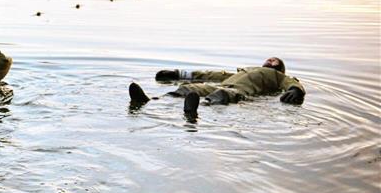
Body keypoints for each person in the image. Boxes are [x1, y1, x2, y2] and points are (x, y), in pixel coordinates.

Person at [129, 57, 306, 115]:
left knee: (222, 93)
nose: (270, 60)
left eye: (275, 60)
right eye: (269, 58)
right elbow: (212, 75)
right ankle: (151, 100)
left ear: (280, 68)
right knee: (190, 88)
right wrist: (179, 74)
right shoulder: (244, 70)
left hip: (237, 91)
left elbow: (291, 82)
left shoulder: (277, 76)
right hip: (223, 84)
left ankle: (195, 108)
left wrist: (295, 89)